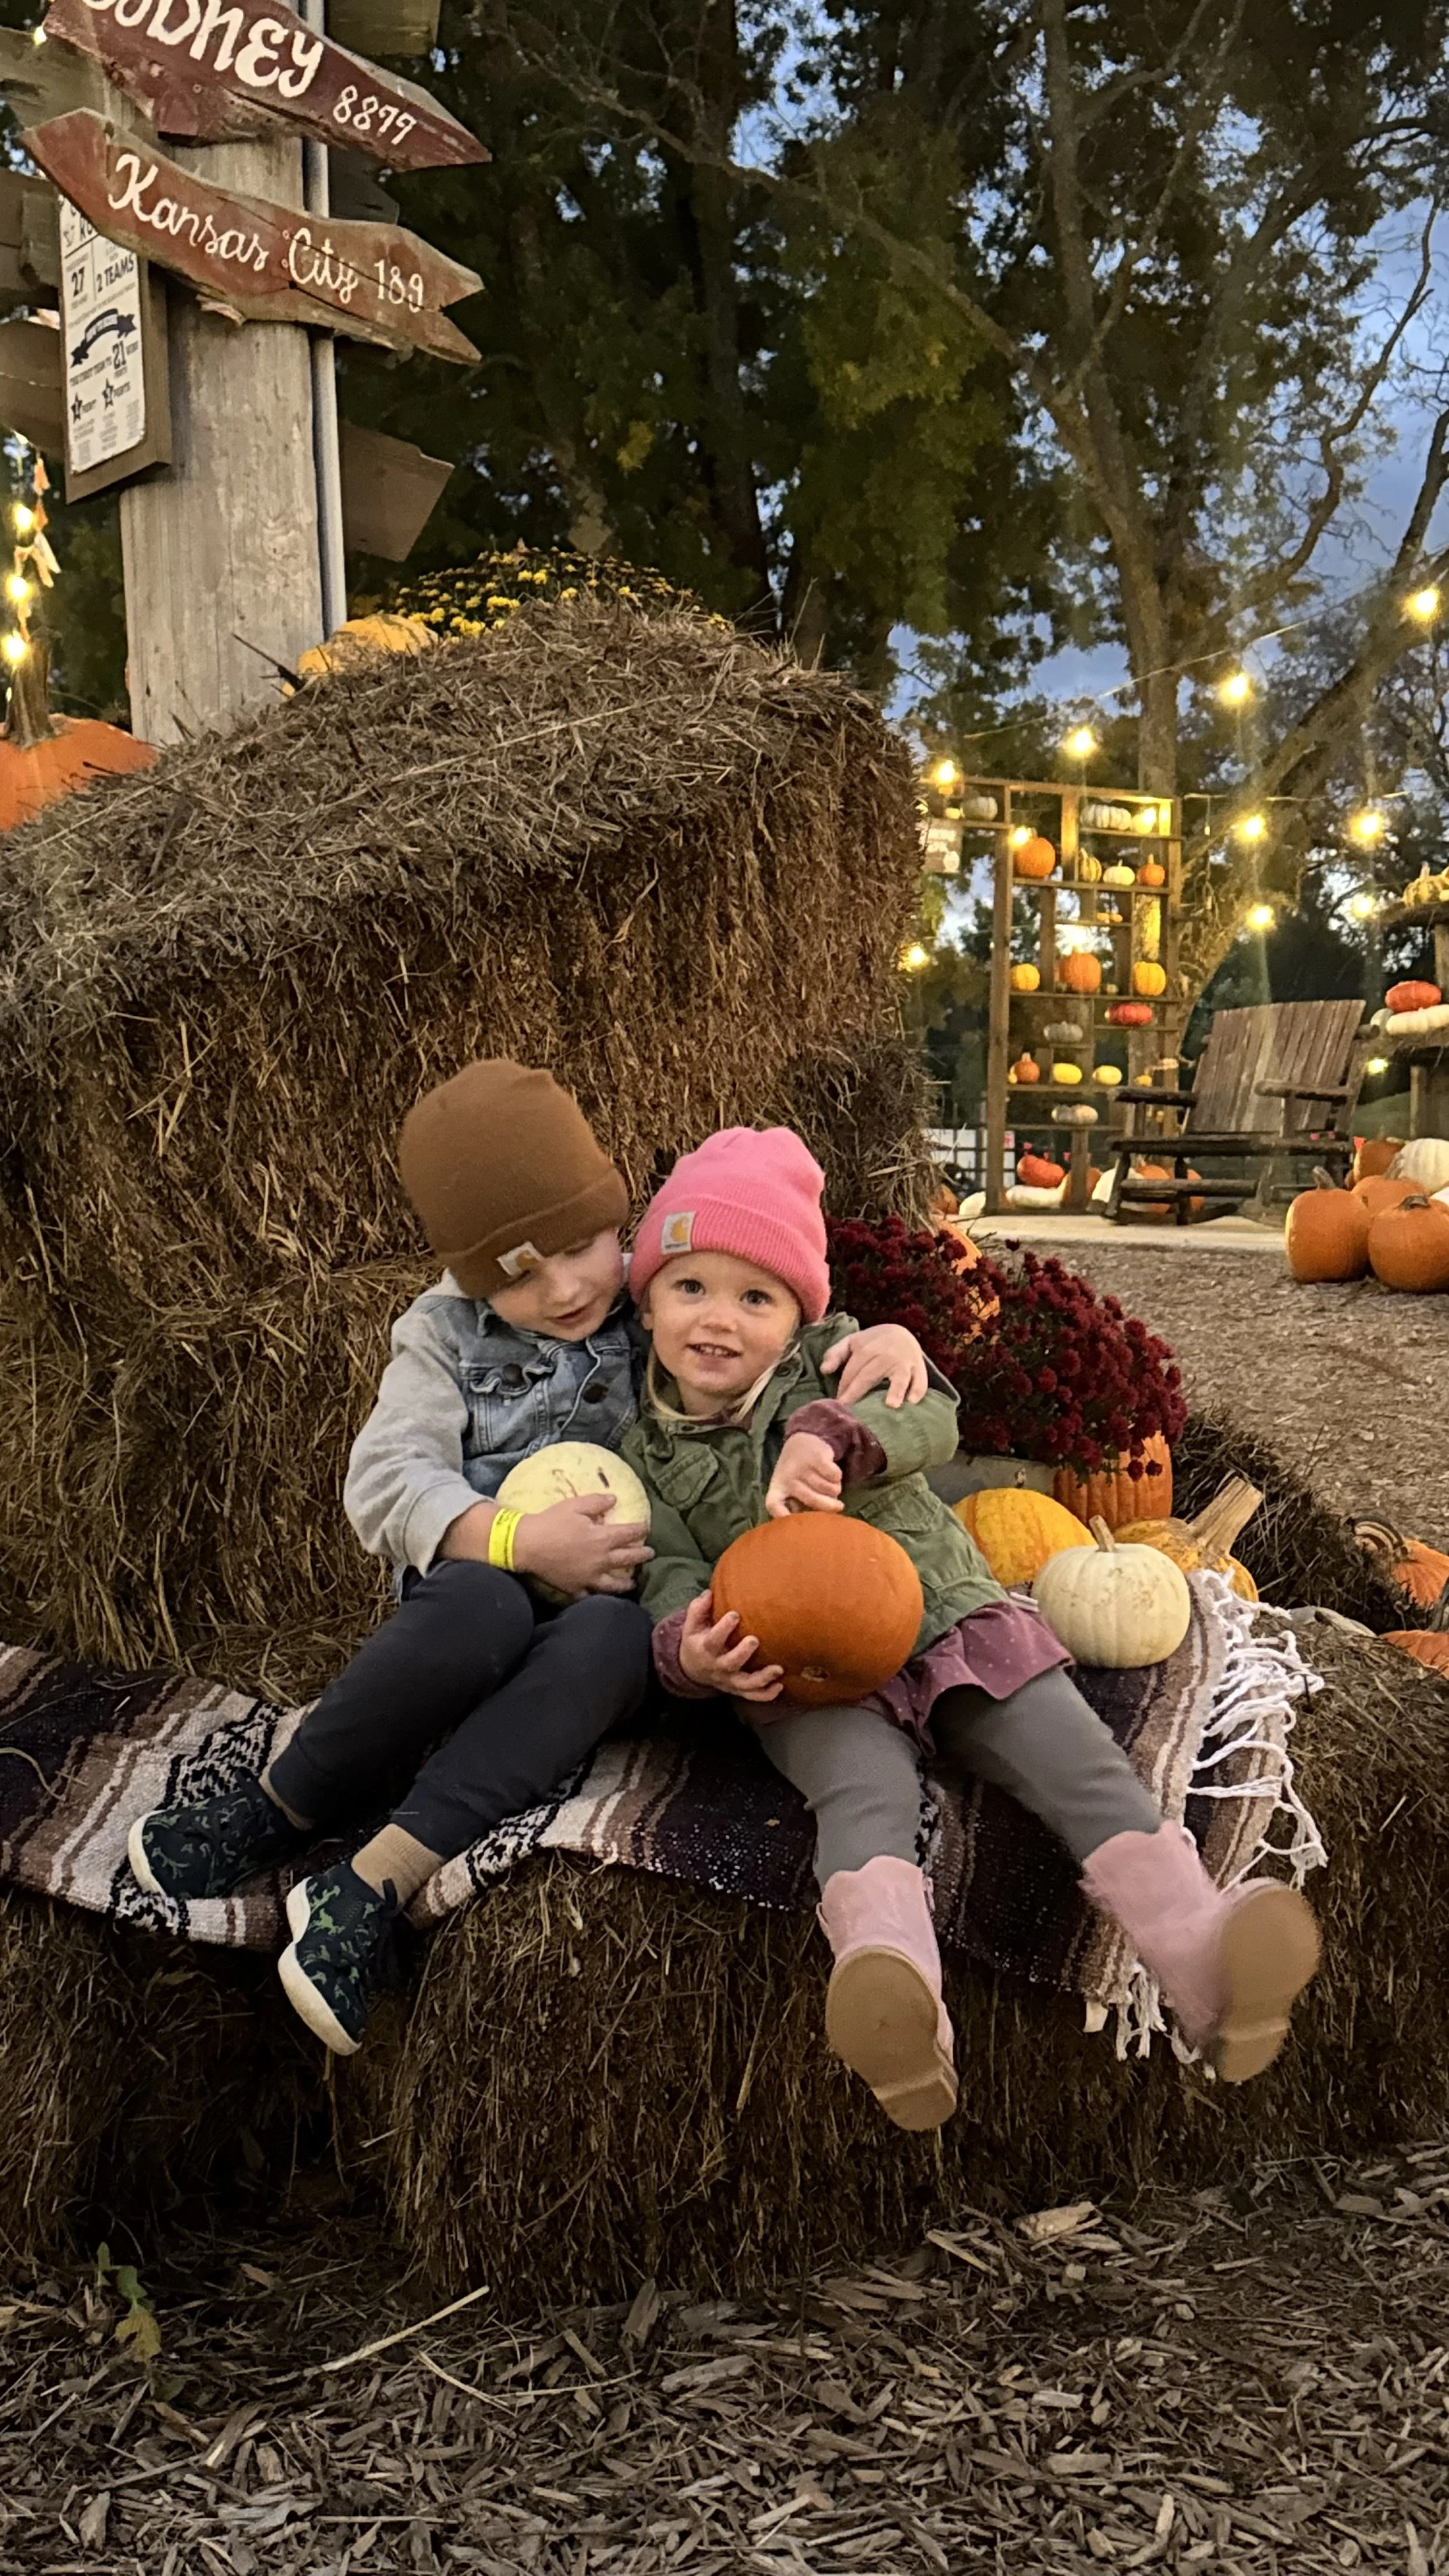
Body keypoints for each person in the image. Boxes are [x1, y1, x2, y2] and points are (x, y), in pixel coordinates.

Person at [128, 1060, 928, 2055]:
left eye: (580, 1247)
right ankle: (282, 1801)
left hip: (615, 1609)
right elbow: (382, 1483)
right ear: (470, 1278)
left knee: (609, 1639)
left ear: (618, 1217)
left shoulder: (660, 1290)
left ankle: (371, 1881)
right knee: (482, 1609)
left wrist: (885, 1339)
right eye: (515, 1275)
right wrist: (512, 1538)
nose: (561, 1289)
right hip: (476, 1584)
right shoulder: (440, 1334)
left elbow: (778, 1316)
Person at [622, 1124, 1321, 2133]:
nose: (719, 1320)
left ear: (797, 1314)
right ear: (646, 1300)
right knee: (859, 1794)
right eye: (691, 1288)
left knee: (1073, 1755)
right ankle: (895, 1998)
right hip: (806, 1674)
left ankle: (1207, 1964)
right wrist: (689, 1650)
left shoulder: (841, 1358)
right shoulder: (642, 1453)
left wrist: (837, 1435)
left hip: (947, 1617)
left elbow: (929, 1421)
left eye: (756, 1297)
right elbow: (666, 1569)